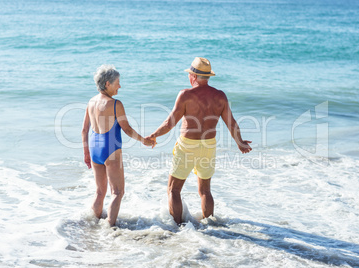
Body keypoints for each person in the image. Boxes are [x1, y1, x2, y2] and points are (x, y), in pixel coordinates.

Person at [147, 57, 252, 225]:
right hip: (208, 145)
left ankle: (178, 229)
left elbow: (169, 123)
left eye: (190, 74)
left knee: (173, 190)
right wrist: (240, 142)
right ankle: (209, 227)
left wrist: (153, 135)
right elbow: (231, 123)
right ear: (208, 76)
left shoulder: (185, 95)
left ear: (193, 76)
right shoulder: (220, 96)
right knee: (205, 191)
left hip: (187, 145)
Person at [82, 64, 155, 226]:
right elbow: (127, 129)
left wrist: (86, 153)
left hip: (94, 148)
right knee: (118, 192)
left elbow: (84, 130)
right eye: (117, 82)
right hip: (110, 149)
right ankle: (109, 227)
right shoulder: (115, 104)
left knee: (100, 192)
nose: (119, 86)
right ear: (107, 83)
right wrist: (144, 140)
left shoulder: (91, 101)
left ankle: (92, 226)